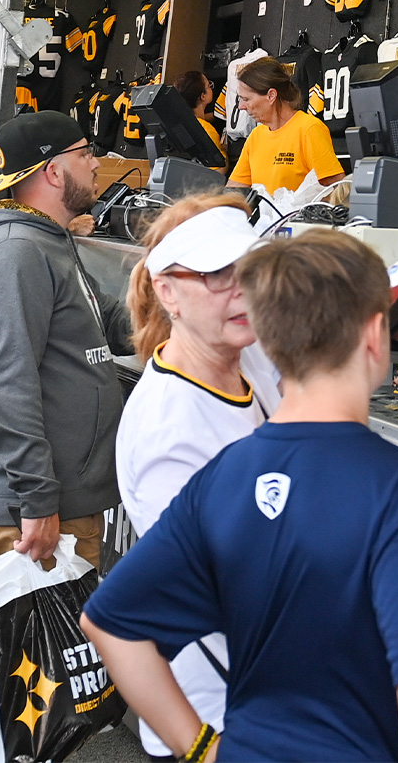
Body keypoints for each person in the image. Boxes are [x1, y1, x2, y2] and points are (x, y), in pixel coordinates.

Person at [82, 231, 398, 763]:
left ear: (266, 337)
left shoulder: (223, 475)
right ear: (377, 335)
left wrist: (200, 748)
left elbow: (109, 624)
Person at [119, 194, 279, 758]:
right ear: (168, 291)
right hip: (218, 709)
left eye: (251, 271)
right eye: (217, 276)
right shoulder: (170, 430)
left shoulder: (247, 357)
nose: (242, 290)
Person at [0, 111, 130, 570]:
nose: (97, 164)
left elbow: (109, 322)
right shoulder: (16, 252)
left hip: (60, 502)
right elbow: (6, 384)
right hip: (35, 513)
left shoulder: (48, 241)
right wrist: (37, 501)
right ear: (53, 170)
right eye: (86, 153)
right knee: (34, 644)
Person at [227, 57, 343, 195]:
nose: (241, 107)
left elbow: (338, 190)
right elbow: (233, 192)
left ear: (271, 96)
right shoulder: (255, 137)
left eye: (246, 99)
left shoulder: (309, 129)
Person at [174, 70, 225, 156]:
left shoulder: (181, 123)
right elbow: (219, 168)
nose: (211, 87)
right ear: (203, 96)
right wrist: (224, 149)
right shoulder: (208, 132)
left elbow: (199, 119)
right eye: (209, 86)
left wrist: (217, 114)